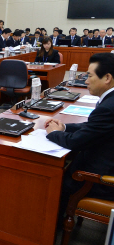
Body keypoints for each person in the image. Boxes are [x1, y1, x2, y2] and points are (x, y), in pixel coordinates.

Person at [45, 53, 114, 223]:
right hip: (106, 159)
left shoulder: (109, 107)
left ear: (107, 77)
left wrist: (54, 133)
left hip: (102, 179)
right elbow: (93, 127)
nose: (86, 81)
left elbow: (75, 142)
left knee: (54, 178)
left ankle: (54, 228)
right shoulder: (109, 102)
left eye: (89, 76)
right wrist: (66, 127)